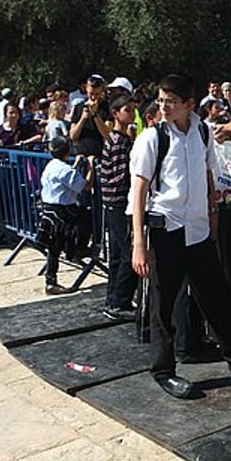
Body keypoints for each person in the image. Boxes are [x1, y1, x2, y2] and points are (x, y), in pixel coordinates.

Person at [129, 73, 231, 399]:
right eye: (161, 101)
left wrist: (212, 212)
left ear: (189, 104)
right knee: (164, 304)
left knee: (216, 294)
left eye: (171, 102)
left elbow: (207, 172)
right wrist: (138, 242)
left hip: (199, 229)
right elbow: (139, 189)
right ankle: (163, 370)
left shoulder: (202, 131)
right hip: (168, 229)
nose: (164, 107)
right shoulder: (152, 138)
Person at [98, 92, 139, 321]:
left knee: (116, 253)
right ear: (115, 113)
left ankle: (112, 299)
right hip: (119, 203)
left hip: (112, 203)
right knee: (128, 254)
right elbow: (122, 176)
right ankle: (120, 300)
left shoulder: (119, 140)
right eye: (127, 110)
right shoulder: (118, 142)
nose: (131, 113)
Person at [38, 136, 93, 295]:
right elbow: (86, 186)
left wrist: (75, 164)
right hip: (63, 211)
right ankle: (79, 249)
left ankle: (51, 279)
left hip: (49, 209)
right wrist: (91, 167)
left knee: (53, 249)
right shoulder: (65, 170)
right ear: (68, 150)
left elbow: (67, 175)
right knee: (86, 217)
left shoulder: (51, 166)